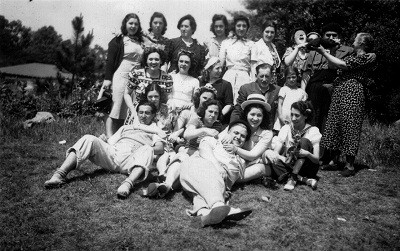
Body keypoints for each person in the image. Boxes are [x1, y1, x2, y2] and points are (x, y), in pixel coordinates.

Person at [44, 101, 165, 199]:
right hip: (113, 155)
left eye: (147, 113)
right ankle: (59, 175)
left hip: (132, 160)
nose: (143, 116)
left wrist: (141, 150)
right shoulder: (126, 127)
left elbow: (159, 148)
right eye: (141, 112)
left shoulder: (155, 129)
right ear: (137, 113)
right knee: (89, 138)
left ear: (153, 115)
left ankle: (127, 184)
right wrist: (103, 139)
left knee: (148, 149)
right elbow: (111, 142)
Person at [318, 33, 377, 177]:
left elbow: (342, 65)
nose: (353, 41)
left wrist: (323, 53)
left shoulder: (365, 57)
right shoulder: (353, 55)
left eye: (356, 39)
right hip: (340, 93)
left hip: (353, 93)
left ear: (362, 43)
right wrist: (331, 51)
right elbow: (333, 65)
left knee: (350, 127)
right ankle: (336, 160)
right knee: (336, 125)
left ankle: (350, 165)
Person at [143, 99, 222, 198]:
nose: (213, 115)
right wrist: (204, 130)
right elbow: (187, 134)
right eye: (210, 111)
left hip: (202, 157)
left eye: (216, 113)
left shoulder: (218, 125)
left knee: (183, 163)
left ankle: (165, 185)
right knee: (182, 158)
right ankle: (167, 186)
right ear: (204, 111)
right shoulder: (197, 120)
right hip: (189, 152)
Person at [180, 120, 253, 227]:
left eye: (243, 136)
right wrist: (217, 166)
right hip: (199, 168)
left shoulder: (241, 159)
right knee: (201, 166)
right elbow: (204, 150)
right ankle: (218, 206)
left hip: (217, 183)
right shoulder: (213, 141)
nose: (238, 137)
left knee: (201, 187)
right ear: (228, 133)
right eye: (236, 133)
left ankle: (203, 214)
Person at [302, 23, 353, 132]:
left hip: (333, 88)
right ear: (322, 36)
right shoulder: (314, 49)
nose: (331, 38)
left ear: (340, 37)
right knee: (312, 119)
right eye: (328, 35)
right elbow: (306, 73)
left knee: (328, 122)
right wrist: (303, 91)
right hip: (314, 88)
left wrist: (333, 51)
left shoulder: (348, 51)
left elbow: (336, 67)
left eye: (334, 35)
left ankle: (325, 148)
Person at [102, 13, 145, 139]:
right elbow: (110, 61)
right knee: (116, 107)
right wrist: (107, 79)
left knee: (130, 108)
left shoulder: (140, 41)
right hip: (121, 76)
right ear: (125, 24)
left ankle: (123, 136)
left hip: (136, 78)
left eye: (136, 24)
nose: (133, 26)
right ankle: (109, 136)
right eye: (130, 23)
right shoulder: (119, 40)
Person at [264, 101, 321, 190]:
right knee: (272, 159)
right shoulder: (286, 128)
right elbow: (276, 152)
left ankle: (293, 177)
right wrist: (280, 157)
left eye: (297, 115)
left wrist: (307, 154)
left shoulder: (313, 130)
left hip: (307, 166)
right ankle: (303, 179)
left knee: (304, 141)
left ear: (305, 116)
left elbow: (316, 160)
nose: (293, 118)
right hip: (290, 164)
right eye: (292, 115)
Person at [222, 94, 273, 184]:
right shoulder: (237, 125)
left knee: (259, 169)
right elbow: (219, 138)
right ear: (246, 114)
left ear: (263, 116)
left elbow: (252, 155)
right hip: (232, 161)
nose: (255, 118)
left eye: (259, 115)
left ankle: (229, 179)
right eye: (252, 114)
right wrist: (227, 135)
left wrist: (236, 149)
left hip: (253, 164)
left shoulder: (267, 134)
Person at [124, 47, 173, 122]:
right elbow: (127, 94)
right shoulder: (136, 74)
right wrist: (133, 111)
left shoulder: (167, 78)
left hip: (159, 114)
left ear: (161, 61)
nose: (153, 62)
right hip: (138, 113)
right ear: (146, 60)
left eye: (156, 59)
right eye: (150, 59)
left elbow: (169, 98)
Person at [230, 63, 280, 130]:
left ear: (271, 76)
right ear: (256, 76)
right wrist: (232, 128)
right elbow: (237, 111)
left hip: (268, 130)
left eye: (267, 76)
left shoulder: (277, 90)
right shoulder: (246, 89)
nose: (264, 79)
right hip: (249, 128)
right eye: (261, 76)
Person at [219, 15, 255, 103]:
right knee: (226, 102)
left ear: (247, 28)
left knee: (241, 103)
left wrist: (253, 84)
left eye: (244, 26)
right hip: (228, 76)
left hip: (244, 77)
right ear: (234, 27)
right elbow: (220, 64)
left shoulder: (251, 44)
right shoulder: (226, 43)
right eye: (238, 25)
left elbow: (253, 67)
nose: (241, 28)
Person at [200, 57, 233, 125]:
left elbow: (229, 104)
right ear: (209, 69)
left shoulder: (225, 84)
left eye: (221, 68)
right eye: (217, 68)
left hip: (217, 119)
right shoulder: (201, 82)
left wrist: (217, 116)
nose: (220, 71)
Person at [273, 66, 308, 131]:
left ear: (297, 77)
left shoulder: (301, 92)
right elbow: (280, 103)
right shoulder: (284, 89)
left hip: (294, 120)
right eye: (288, 78)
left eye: (293, 77)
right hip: (283, 119)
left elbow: (302, 108)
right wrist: (280, 116)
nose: (291, 79)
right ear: (285, 79)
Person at [252, 20, 281, 85]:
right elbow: (253, 68)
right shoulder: (256, 46)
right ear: (262, 32)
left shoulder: (274, 47)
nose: (269, 35)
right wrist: (253, 86)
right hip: (261, 83)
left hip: (273, 84)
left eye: (272, 32)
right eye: (267, 32)